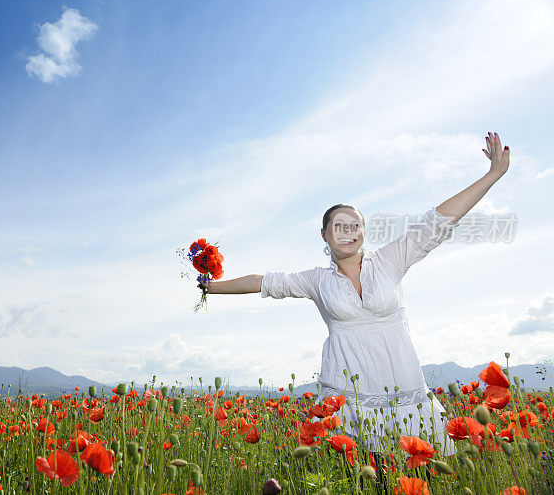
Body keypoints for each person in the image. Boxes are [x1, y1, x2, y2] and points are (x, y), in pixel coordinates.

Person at [199, 132, 511, 464]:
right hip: (349, 396)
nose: (348, 231)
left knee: (422, 471)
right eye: (339, 225)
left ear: (364, 231)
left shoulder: (391, 260)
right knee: (361, 474)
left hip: (402, 389)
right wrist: (211, 287)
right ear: (324, 234)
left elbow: (436, 223)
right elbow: (263, 281)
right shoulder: (316, 280)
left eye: (355, 225)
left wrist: (491, 175)